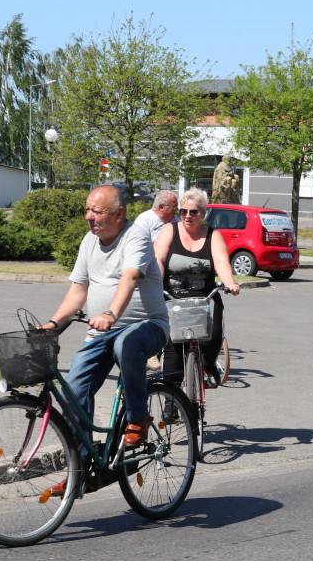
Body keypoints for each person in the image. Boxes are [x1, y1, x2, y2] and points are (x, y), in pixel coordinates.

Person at [41, 185, 170, 448]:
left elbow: (130, 277)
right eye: (87, 210)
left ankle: (138, 417)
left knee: (126, 344)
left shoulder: (136, 237)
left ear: (119, 213)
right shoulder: (89, 241)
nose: (89, 216)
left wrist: (111, 314)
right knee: (73, 389)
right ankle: (82, 463)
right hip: (101, 333)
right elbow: (78, 291)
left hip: (148, 326)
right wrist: (52, 324)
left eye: (97, 211)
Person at [154, 187, 239, 387]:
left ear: (203, 213)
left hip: (204, 297)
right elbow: (159, 259)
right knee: (173, 350)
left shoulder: (212, 235)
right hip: (173, 297)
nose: (187, 216)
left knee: (213, 335)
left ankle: (209, 366)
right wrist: (156, 284)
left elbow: (221, 261)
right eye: (183, 211)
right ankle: (171, 399)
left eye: (193, 212)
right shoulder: (170, 230)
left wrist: (229, 282)